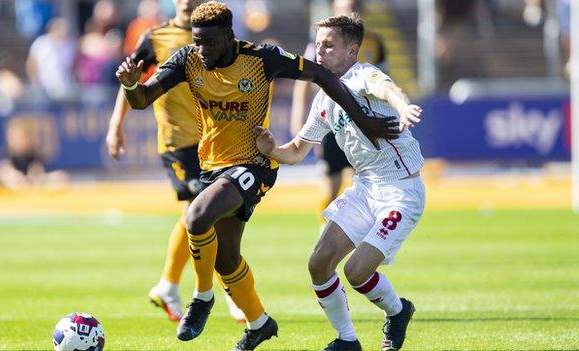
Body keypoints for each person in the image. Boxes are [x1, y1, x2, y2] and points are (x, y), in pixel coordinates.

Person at [115, 1, 398, 349]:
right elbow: (143, 99)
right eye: (197, 41)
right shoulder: (186, 58)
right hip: (213, 165)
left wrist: (363, 119)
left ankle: (202, 298)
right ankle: (259, 324)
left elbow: (321, 74)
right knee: (225, 258)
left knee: (197, 216)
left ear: (229, 37)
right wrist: (130, 86)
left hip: (255, 165)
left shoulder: (262, 58)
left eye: (209, 43)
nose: (202, 50)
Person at [255, 13, 424, 351]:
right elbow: (296, 152)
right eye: (318, 45)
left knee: (357, 271)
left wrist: (403, 109)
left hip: (400, 191)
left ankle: (398, 310)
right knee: (318, 263)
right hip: (364, 189)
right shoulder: (324, 98)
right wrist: (271, 148)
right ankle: (347, 341)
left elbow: (390, 89)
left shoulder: (363, 75)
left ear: (352, 51)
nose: (320, 52)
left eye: (329, 45)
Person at [106, 0, 243, 323]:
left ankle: (169, 285)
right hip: (179, 141)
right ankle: (224, 291)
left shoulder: (217, 36)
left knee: (209, 214)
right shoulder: (155, 38)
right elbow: (130, 82)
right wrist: (116, 125)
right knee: (202, 212)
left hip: (215, 138)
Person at [290, 0, 389, 231]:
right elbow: (303, 83)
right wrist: (299, 119)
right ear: (334, 11)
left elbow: (385, 79)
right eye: (343, 7)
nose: (348, 11)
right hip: (333, 122)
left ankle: (367, 238)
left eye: (353, 6)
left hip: (365, 124)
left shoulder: (374, 42)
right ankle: (325, 234)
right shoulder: (320, 45)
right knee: (330, 187)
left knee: (369, 184)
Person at [0, 119, 69, 191]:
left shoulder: (33, 154)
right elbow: (4, 172)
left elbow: (37, 171)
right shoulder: (5, 153)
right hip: (9, 193)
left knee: (59, 176)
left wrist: (36, 177)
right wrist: (16, 179)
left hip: (31, 188)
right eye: (15, 137)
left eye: (22, 137)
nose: (19, 141)